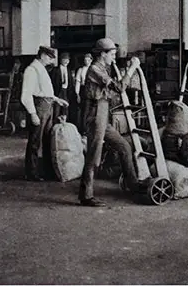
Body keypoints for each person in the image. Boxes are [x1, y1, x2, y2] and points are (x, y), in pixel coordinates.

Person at [78, 38, 142, 207]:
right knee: (93, 156)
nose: (114, 58)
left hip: (103, 114)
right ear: (102, 54)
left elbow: (112, 93)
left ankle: (133, 184)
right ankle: (86, 196)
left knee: (124, 146)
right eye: (112, 54)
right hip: (95, 116)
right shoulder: (95, 70)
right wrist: (132, 69)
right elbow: (119, 88)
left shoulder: (104, 69)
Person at [21, 46, 69, 181]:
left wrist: (56, 99)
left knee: (47, 140)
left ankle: (47, 170)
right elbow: (26, 95)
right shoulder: (31, 70)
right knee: (35, 140)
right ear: (42, 55)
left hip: (48, 106)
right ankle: (31, 173)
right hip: (39, 107)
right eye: (49, 57)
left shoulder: (42, 69)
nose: (51, 60)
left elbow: (44, 90)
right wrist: (33, 113)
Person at [50, 52, 75, 123]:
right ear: (60, 60)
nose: (66, 61)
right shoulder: (55, 70)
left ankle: (64, 126)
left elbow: (71, 84)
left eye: (68, 59)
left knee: (65, 110)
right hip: (58, 92)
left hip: (66, 92)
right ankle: (55, 126)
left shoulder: (69, 71)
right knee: (56, 110)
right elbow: (52, 82)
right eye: (64, 59)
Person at [75, 53, 93, 134]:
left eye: (88, 60)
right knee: (84, 111)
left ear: (91, 60)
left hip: (93, 91)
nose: (87, 61)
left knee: (92, 111)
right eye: (85, 60)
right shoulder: (81, 70)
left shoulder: (94, 69)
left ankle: (91, 129)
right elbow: (78, 82)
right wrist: (77, 94)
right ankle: (83, 130)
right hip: (83, 90)